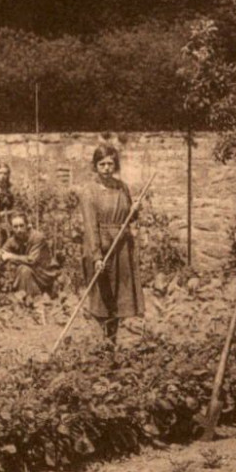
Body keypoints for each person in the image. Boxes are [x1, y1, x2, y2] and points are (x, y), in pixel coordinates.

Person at [78, 142, 143, 345]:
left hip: (122, 246)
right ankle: (101, 342)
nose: (107, 168)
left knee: (119, 295)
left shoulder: (122, 187)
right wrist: (96, 256)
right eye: (102, 164)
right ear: (95, 166)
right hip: (101, 246)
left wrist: (136, 209)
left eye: (110, 164)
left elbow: (128, 217)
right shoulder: (89, 192)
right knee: (102, 295)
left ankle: (113, 340)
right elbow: (90, 227)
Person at [0, 212, 59, 322]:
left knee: (23, 269)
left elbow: (32, 260)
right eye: (15, 227)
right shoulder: (12, 240)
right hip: (32, 274)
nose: (19, 230)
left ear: (28, 225)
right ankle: (28, 302)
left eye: (21, 225)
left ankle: (37, 306)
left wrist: (11, 256)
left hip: (46, 274)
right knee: (23, 270)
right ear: (12, 228)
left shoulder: (38, 237)